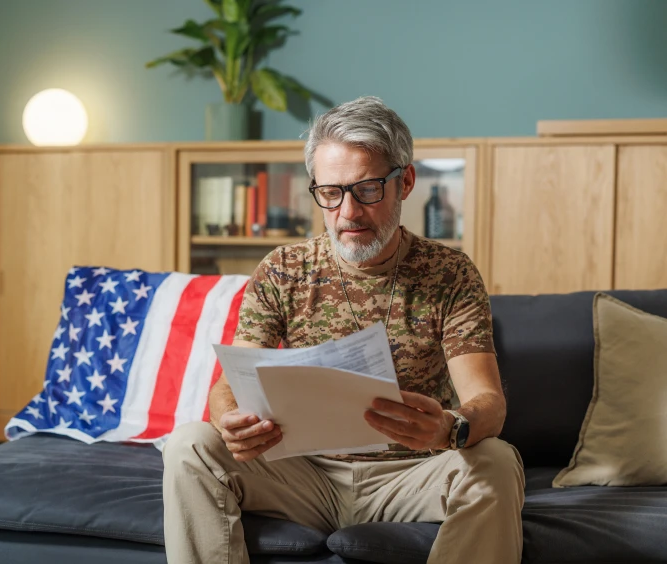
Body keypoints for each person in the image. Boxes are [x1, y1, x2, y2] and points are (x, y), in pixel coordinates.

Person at [162, 96, 525, 564]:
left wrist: (447, 428)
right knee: (189, 444)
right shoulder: (283, 269)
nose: (347, 213)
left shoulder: (449, 273)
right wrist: (231, 420)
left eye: (367, 189)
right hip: (300, 474)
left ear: (406, 182)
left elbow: (489, 403)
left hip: (410, 474)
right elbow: (227, 386)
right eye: (330, 193)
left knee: (497, 461)